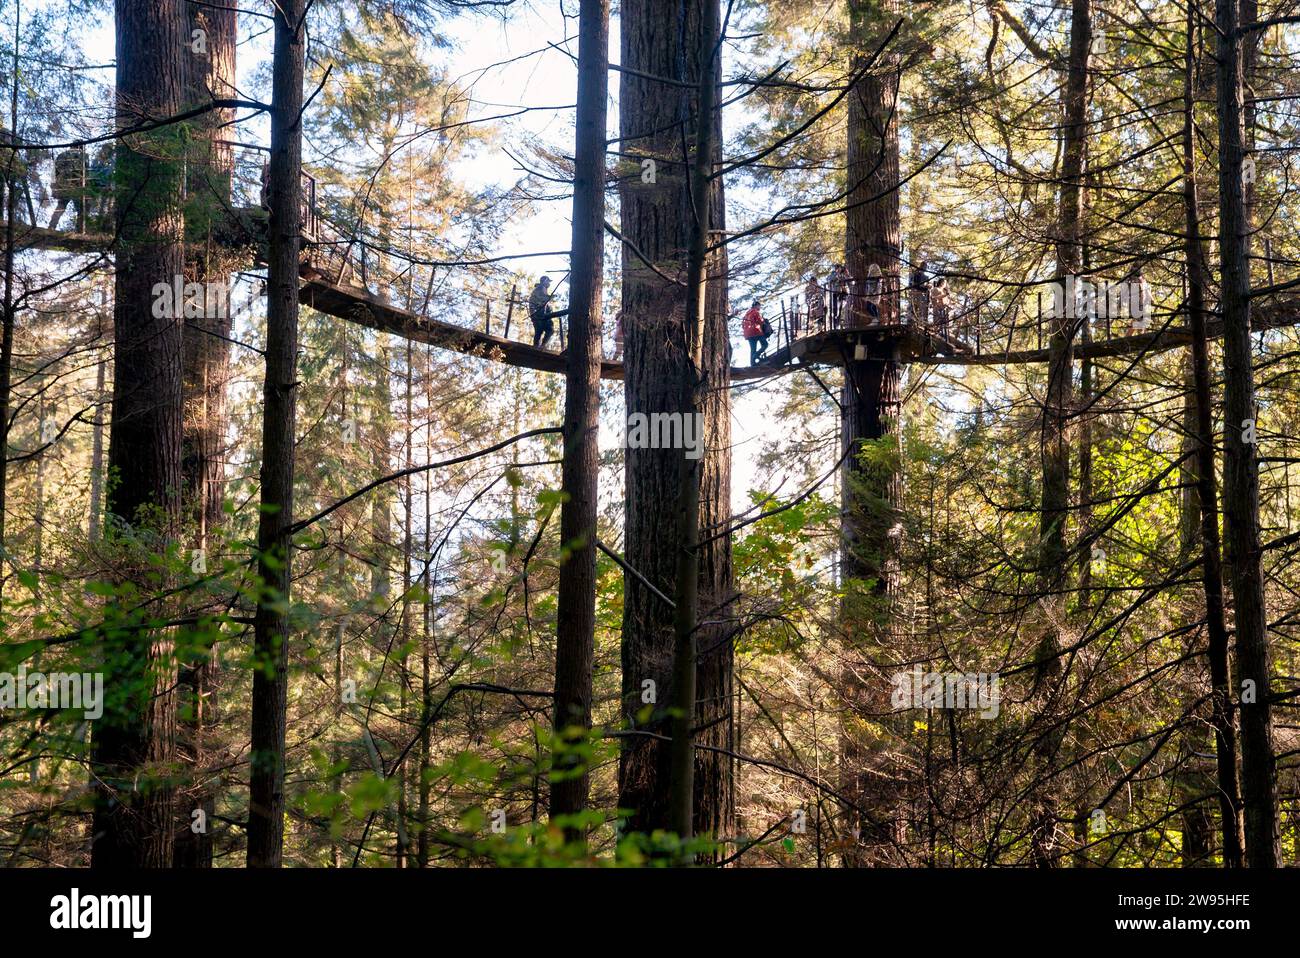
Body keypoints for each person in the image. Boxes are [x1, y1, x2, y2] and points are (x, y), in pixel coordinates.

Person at [49, 146, 89, 231]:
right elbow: (86, 173)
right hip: (76, 186)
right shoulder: (83, 156)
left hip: (64, 185)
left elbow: (54, 171)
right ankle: (80, 231)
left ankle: (51, 227)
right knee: (81, 209)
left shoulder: (62, 155)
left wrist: (54, 186)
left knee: (61, 206)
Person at [529, 276, 556, 349]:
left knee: (547, 330)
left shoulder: (542, 289)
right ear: (544, 281)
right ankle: (537, 347)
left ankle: (540, 346)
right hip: (538, 314)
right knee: (540, 331)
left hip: (541, 314)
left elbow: (544, 302)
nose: (549, 284)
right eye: (548, 281)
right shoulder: (540, 288)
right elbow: (542, 300)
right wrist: (550, 297)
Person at [743, 299, 768, 365]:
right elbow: (761, 321)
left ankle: (752, 364)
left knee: (753, 349)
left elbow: (743, 325)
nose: (759, 308)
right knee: (765, 344)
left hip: (748, 334)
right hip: (756, 332)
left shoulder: (746, 314)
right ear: (756, 306)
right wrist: (764, 323)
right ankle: (756, 355)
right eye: (759, 306)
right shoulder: (756, 312)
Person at [909, 260, 930, 325]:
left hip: (923, 294)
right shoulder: (916, 273)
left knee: (922, 309)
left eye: (926, 267)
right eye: (925, 266)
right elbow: (912, 284)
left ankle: (920, 323)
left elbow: (926, 285)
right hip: (917, 292)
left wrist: (928, 286)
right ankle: (913, 323)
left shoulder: (926, 276)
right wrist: (913, 291)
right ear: (922, 266)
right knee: (915, 308)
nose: (926, 268)